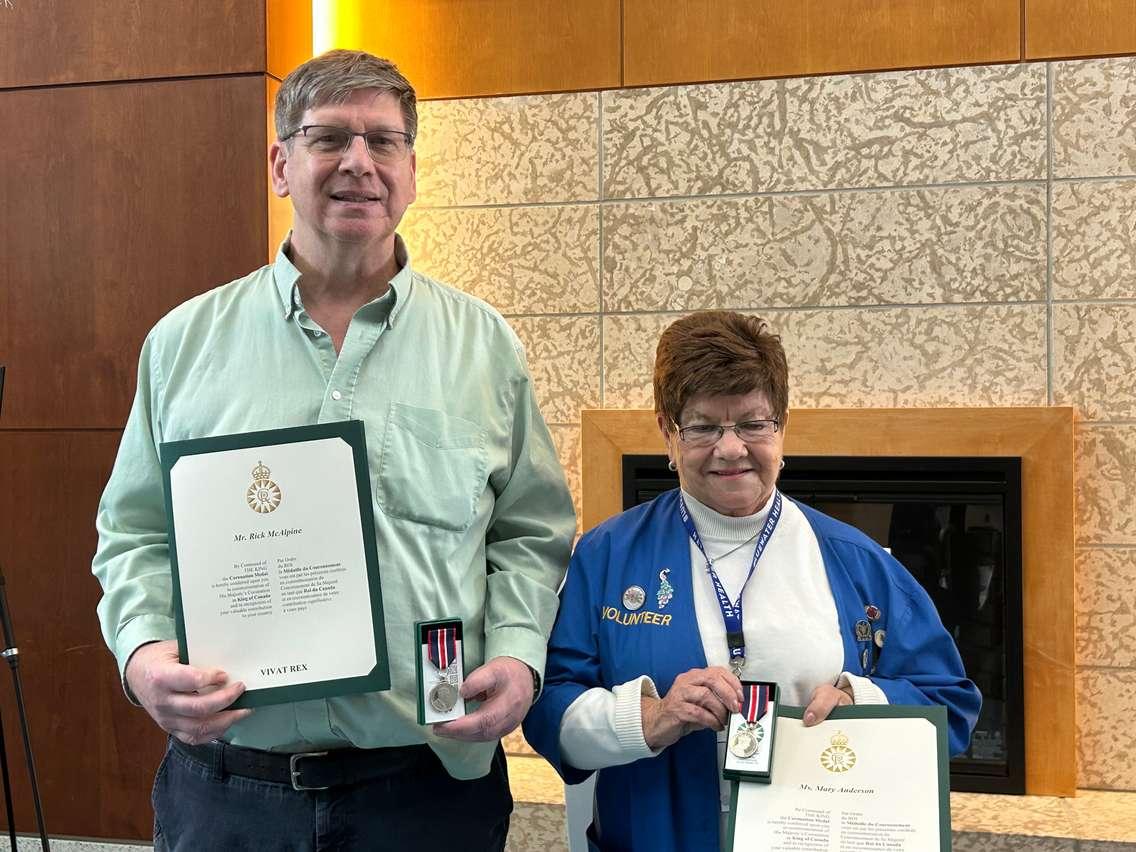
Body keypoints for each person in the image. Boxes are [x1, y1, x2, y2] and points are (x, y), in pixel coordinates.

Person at [92, 50, 575, 851]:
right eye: (329, 138)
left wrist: (521, 658)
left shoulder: (484, 347)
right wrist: (143, 653)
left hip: (428, 787)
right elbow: (134, 532)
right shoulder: (183, 344)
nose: (359, 162)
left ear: (412, 172)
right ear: (282, 164)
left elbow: (530, 531)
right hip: (231, 791)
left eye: (383, 142)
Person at [523, 311, 980, 852]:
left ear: (781, 428)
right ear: (668, 435)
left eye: (752, 423)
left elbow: (950, 708)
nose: (731, 448)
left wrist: (864, 704)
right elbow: (549, 712)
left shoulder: (855, 561)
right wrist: (647, 718)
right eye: (703, 426)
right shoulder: (606, 556)